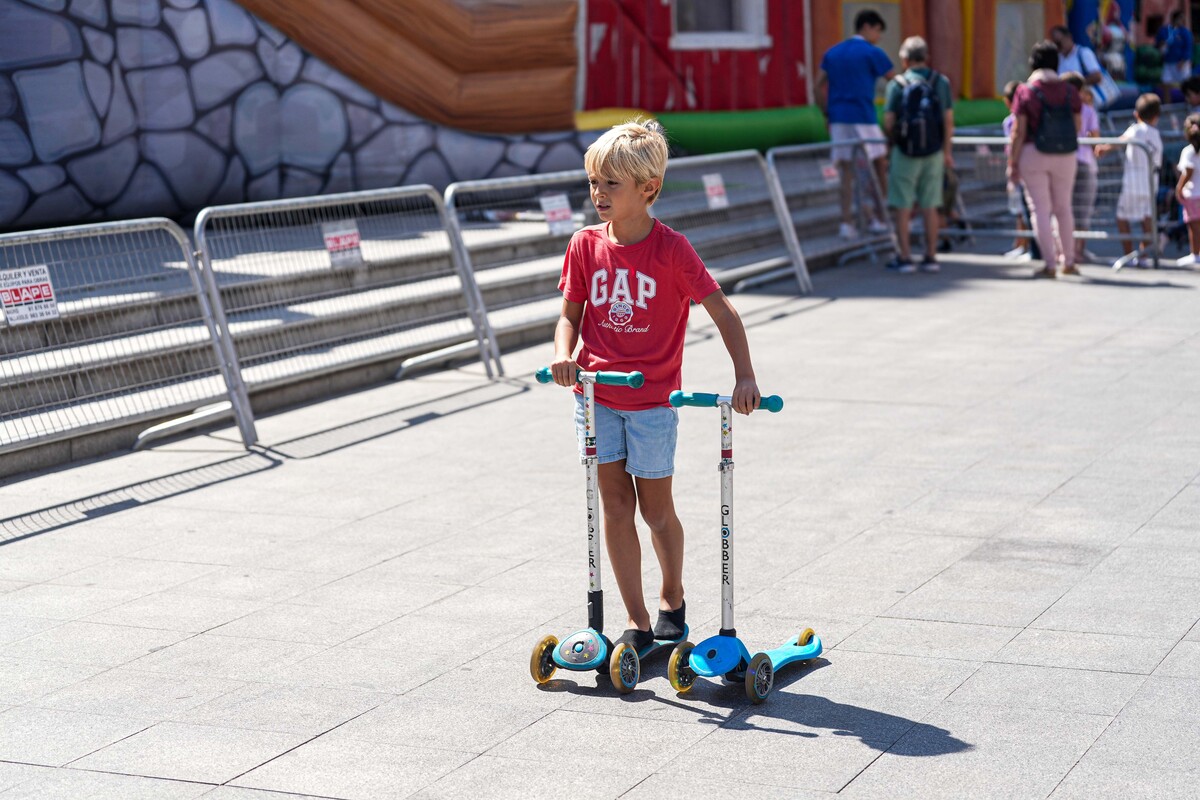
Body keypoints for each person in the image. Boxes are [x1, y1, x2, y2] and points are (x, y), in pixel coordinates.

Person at [550, 119, 762, 651]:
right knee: (615, 509)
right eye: (593, 183)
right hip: (597, 397)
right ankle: (638, 623)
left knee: (656, 511)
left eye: (610, 185)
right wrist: (562, 354)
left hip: (651, 404)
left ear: (649, 189)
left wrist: (744, 376)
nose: (598, 195)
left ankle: (673, 598)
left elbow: (724, 313)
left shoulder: (671, 249)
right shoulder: (583, 246)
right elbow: (569, 317)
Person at [815, 9, 896, 240]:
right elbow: (896, 83)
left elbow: (816, 87)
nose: (878, 37)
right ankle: (881, 217)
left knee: (846, 171)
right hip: (864, 115)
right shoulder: (872, 52)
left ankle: (847, 223)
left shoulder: (833, 53)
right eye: (878, 31)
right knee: (880, 164)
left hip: (839, 117)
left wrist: (827, 113)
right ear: (868, 27)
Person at [1008, 40, 1082, 279]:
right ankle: (1069, 261)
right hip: (1065, 154)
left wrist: (1012, 162)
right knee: (1064, 208)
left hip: (1033, 153)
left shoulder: (1025, 91)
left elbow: (1018, 131)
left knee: (1040, 209)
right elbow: (1078, 126)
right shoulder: (1070, 91)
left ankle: (1049, 264)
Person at [882, 36, 954, 273]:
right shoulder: (940, 82)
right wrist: (947, 151)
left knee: (902, 206)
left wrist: (893, 143)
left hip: (905, 152)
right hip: (933, 151)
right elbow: (948, 120)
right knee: (930, 205)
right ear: (926, 57)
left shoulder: (897, 84)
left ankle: (904, 257)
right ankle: (931, 256)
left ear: (904, 59)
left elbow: (889, 120)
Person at [1097, 93, 1163, 267]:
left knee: (1121, 217)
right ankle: (1143, 256)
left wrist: (1104, 148)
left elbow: (1121, 140)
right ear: (1156, 116)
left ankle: (1129, 254)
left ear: (1136, 114)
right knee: (1147, 219)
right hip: (1150, 184)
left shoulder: (1135, 129)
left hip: (1133, 183)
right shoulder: (1156, 135)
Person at [1062, 72, 1101, 265]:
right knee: (1083, 210)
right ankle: (1079, 250)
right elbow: (1095, 140)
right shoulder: (1088, 110)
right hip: (1084, 161)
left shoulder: (1058, 109)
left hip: (1063, 160)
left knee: (1064, 207)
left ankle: (1064, 250)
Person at [1002, 79, 1037, 262]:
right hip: (1024, 165)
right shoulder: (1011, 121)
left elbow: (1017, 137)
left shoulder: (1014, 121)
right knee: (1019, 208)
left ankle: (1026, 244)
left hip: (1022, 166)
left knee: (1024, 208)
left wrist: (1012, 164)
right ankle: (1021, 243)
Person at [1174, 113, 1200, 266]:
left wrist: (1179, 188)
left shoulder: (1189, 151)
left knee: (1194, 226)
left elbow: (1188, 172)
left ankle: (1195, 253)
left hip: (1193, 194)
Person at [1158, 11, 1194, 85]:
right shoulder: (1165, 30)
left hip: (1180, 63)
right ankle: (1166, 97)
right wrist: (1161, 45)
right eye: (1181, 19)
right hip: (1168, 62)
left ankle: (1185, 96)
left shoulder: (1185, 32)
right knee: (1166, 82)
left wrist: (1183, 61)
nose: (1183, 21)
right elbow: (1158, 42)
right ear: (1175, 19)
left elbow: (1188, 47)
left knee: (1184, 83)